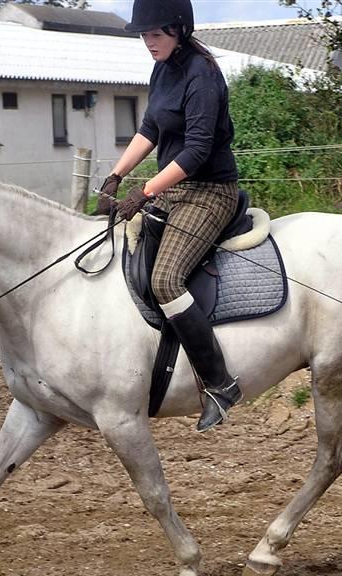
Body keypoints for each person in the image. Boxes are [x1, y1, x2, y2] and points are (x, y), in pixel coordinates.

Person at [97, 0, 241, 432]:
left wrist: (144, 190)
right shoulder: (163, 68)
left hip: (209, 191)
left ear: (179, 28)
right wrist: (115, 175)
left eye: (155, 33)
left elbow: (196, 151)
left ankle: (219, 383)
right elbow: (151, 129)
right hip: (173, 187)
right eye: (143, 34)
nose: (148, 42)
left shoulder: (202, 75)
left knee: (164, 279)